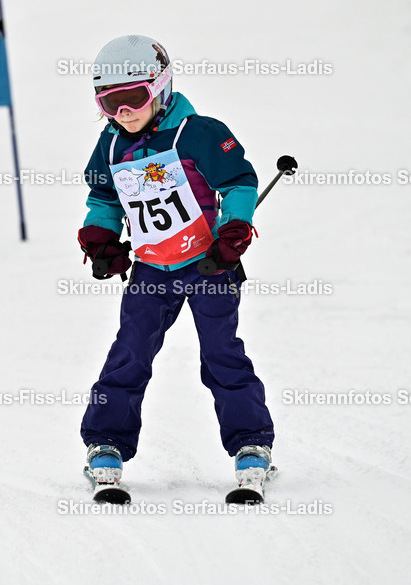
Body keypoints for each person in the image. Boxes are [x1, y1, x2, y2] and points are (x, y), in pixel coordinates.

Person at [77, 34, 275, 502]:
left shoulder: (198, 133)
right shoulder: (110, 147)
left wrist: (235, 229)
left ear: (161, 89)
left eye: (133, 99)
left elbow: (240, 182)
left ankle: (251, 443)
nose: (123, 113)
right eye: (110, 103)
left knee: (222, 355)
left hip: (208, 266)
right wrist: (101, 235)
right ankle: (106, 442)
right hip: (150, 270)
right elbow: (104, 197)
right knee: (129, 353)